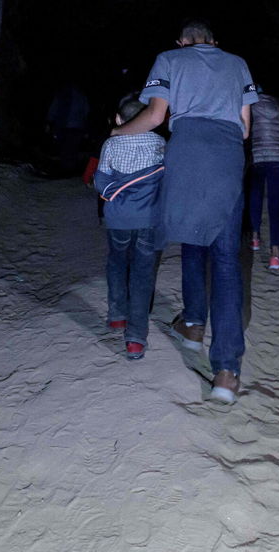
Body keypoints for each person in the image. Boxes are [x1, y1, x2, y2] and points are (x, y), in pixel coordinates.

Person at [112, 19, 258, 403]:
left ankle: (194, 324)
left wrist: (117, 133)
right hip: (226, 154)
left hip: (188, 151)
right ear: (214, 40)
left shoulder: (169, 59)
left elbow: (156, 117)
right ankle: (226, 372)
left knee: (193, 237)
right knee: (225, 258)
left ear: (182, 41)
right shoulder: (237, 63)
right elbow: (245, 129)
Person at [94, 94, 166, 361]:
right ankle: (136, 339)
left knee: (116, 262)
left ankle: (116, 316)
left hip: (118, 220)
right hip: (148, 220)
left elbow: (101, 180)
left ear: (118, 119)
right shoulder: (161, 144)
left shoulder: (111, 145)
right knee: (142, 273)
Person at [246, 87, 279, 271]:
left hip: (258, 156)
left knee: (255, 196)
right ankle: (275, 253)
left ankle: (255, 237)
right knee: (276, 203)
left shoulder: (250, 106)